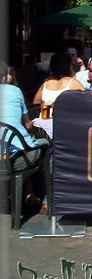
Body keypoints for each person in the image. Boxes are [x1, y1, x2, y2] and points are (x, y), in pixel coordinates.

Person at [0, 59, 49, 213]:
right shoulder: (14, 91)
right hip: (14, 160)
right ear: (5, 77)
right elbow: (27, 124)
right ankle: (44, 199)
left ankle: (29, 195)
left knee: (22, 146)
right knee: (42, 147)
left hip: (6, 156)